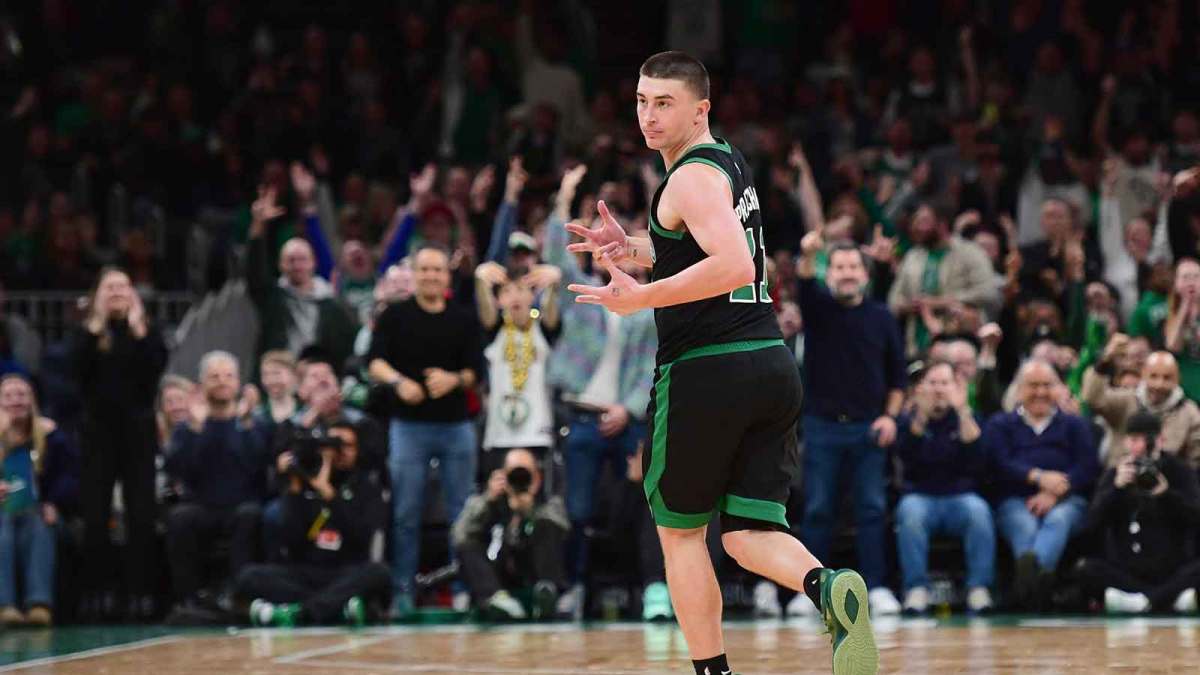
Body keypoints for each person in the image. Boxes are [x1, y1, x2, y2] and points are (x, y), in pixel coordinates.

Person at [563, 51, 878, 675]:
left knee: (681, 536)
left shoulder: (688, 177)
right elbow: (704, 248)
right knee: (745, 534)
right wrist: (638, 248)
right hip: (769, 365)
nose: (648, 116)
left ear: (699, 108)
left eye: (664, 103)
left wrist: (640, 297)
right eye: (641, 101)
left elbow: (734, 264)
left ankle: (714, 672)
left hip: (707, 369)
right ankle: (828, 586)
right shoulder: (726, 164)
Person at [542, 165, 658, 617]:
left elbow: (651, 366)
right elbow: (555, 247)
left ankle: (651, 588)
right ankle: (574, 588)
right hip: (582, 416)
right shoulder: (582, 293)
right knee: (577, 509)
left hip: (626, 419)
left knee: (648, 503)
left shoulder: (648, 306)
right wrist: (565, 194)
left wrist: (627, 411)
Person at [794, 231, 907, 618]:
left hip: (868, 427)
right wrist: (809, 254)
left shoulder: (882, 317)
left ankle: (877, 587)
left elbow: (898, 378)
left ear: (865, 274)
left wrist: (890, 416)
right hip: (822, 425)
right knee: (818, 510)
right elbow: (804, 282)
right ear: (830, 274)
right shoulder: (818, 309)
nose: (845, 273)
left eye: (852, 267)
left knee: (872, 510)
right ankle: (811, 591)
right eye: (838, 267)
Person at [367, 245, 483, 617]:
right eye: (425, 270)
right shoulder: (394, 316)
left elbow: (475, 373)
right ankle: (403, 590)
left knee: (461, 513)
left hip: (456, 427)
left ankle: (463, 587)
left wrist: (453, 380)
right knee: (405, 512)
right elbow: (374, 363)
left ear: (446, 277)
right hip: (408, 427)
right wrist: (400, 383)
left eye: (437, 270)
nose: (431, 276)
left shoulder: (463, 319)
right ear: (414, 274)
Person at [70, 267, 167, 621]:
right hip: (98, 434)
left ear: (133, 294)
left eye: (123, 286)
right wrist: (96, 325)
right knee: (96, 516)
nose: (117, 292)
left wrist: (139, 329)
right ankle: (99, 592)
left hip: (138, 433)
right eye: (109, 287)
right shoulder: (87, 334)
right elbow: (74, 373)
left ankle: (140, 593)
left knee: (141, 514)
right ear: (98, 294)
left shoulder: (146, 332)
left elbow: (156, 369)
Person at [236, 422, 391, 626]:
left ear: (357, 450)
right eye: (334, 444)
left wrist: (330, 495)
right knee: (249, 576)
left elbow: (361, 536)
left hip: (345, 570)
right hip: (306, 572)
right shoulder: (304, 484)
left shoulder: (367, 488)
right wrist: (294, 488)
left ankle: (303, 612)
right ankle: (336, 608)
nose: (340, 451)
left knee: (379, 573)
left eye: (347, 445)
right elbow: (292, 541)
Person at [984, 360, 1099, 611]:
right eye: (1033, 385)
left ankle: (1026, 589)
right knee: (1023, 525)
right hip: (1015, 500)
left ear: (1059, 388)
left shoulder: (1074, 425)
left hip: (1068, 501)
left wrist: (1059, 488)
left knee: (1058, 520)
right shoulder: (1000, 425)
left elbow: (1088, 466)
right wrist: (1036, 477)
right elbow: (999, 463)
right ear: (1018, 389)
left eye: (1047, 385)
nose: (1040, 392)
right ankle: (1040, 588)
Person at [163, 351, 270, 615]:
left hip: (242, 504)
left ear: (238, 384)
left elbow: (256, 465)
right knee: (179, 518)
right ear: (202, 385)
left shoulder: (254, 423)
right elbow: (179, 469)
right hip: (203, 505)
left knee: (250, 515)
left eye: (228, 376)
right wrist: (197, 429)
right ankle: (188, 599)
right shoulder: (188, 426)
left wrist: (245, 425)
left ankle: (240, 595)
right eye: (214, 376)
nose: (222, 381)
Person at [893, 363, 995, 614]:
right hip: (920, 496)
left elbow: (978, 460)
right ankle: (916, 588)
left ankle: (978, 588)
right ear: (920, 389)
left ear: (957, 388)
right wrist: (922, 416)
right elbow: (907, 459)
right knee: (909, 513)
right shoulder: (907, 421)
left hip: (961, 497)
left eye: (945, 383)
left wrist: (962, 411)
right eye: (933, 383)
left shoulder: (968, 418)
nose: (939, 390)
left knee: (979, 511)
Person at [1075, 412, 1200, 614]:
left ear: (1160, 441)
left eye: (1147, 441)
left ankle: (1143, 601)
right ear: (1125, 442)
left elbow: (1195, 518)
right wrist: (1115, 489)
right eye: (1134, 440)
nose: (1140, 447)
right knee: (1087, 569)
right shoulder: (1114, 474)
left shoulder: (1181, 472)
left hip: (1172, 567)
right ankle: (1168, 600)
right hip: (1127, 570)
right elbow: (1091, 525)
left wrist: (1165, 494)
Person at [246, 186, 359, 370]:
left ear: (313, 263)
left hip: (319, 379)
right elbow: (254, 272)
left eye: (302, 259)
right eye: (291, 260)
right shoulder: (273, 298)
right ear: (281, 265)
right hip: (279, 378)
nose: (297, 265)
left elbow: (346, 349)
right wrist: (258, 224)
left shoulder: (331, 304)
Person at [452, 448, 569, 620]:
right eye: (513, 473)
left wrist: (529, 512)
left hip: (532, 568)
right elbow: (458, 534)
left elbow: (564, 529)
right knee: (468, 546)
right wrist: (488, 500)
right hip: (497, 570)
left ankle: (546, 595)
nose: (519, 479)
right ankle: (496, 599)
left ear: (537, 477)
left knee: (547, 527)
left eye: (526, 473)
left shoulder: (547, 502)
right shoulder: (488, 499)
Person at [0, 375, 79, 627]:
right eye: (9, 396)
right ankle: (5, 606)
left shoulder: (51, 436)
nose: (16, 401)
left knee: (39, 522)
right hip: (4, 516)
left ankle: (39, 605)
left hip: (40, 515)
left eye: (22, 395)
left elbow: (71, 476)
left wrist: (54, 502)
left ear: (32, 400)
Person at [473, 259, 562, 475]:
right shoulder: (494, 330)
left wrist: (554, 285)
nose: (515, 296)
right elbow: (486, 314)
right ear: (499, 299)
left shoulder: (542, 329)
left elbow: (551, 315)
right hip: (500, 432)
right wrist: (480, 281)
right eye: (507, 290)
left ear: (532, 296)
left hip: (537, 431)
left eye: (521, 289)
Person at [888, 203, 1000, 358]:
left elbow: (988, 292)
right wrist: (911, 306)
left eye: (923, 221)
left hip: (960, 344)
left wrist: (941, 302)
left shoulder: (971, 252)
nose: (916, 227)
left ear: (942, 224)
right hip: (916, 346)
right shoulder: (912, 256)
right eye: (915, 221)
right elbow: (893, 300)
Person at [1082, 339, 1200, 469]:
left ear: (1178, 379)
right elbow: (1092, 398)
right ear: (1144, 375)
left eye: (1167, 378)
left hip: (1169, 482)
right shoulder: (1126, 400)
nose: (1159, 384)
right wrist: (1104, 362)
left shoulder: (1189, 412)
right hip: (1120, 477)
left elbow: (1195, 458)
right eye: (1153, 376)